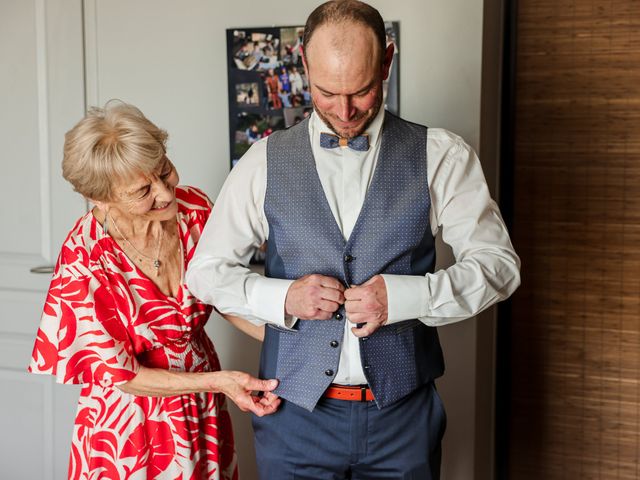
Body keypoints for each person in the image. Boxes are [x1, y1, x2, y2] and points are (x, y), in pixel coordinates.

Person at [186, 1, 521, 478]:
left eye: (362, 91)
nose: (344, 111)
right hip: (292, 418)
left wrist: (406, 296)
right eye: (326, 91)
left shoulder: (441, 154)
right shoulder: (262, 160)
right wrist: (283, 296)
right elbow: (205, 274)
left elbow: (499, 267)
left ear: (387, 61)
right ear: (303, 63)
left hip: (403, 419)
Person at [28, 102, 279, 480]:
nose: (166, 193)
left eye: (164, 171)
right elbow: (123, 376)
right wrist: (218, 381)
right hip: (129, 423)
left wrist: (292, 338)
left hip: (202, 406)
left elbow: (224, 297)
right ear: (100, 198)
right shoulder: (86, 254)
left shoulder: (195, 210)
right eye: (143, 190)